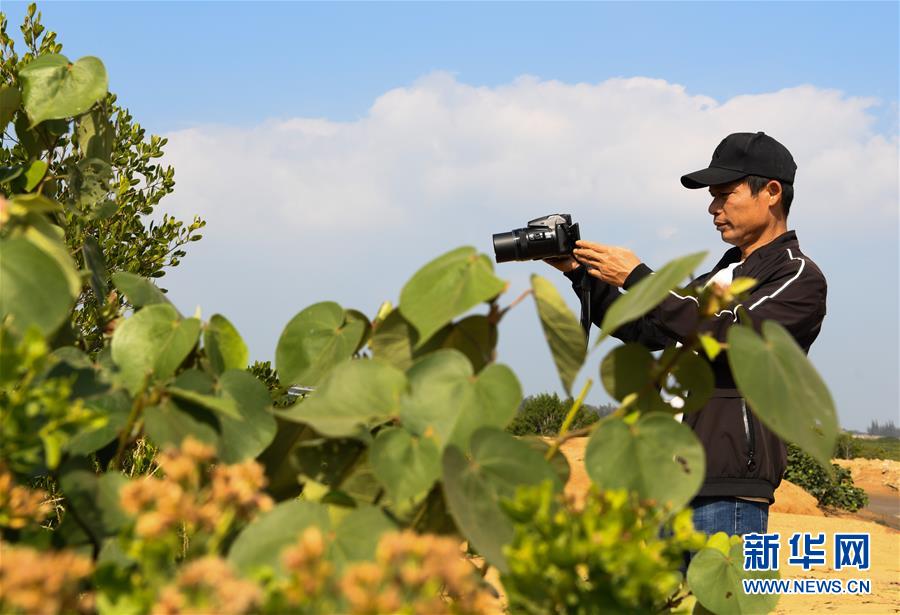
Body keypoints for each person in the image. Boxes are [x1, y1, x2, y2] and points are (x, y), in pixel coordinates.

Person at [546, 132, 827, 537]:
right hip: (668, 486)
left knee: (719, 583)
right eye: (712, 198)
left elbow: (734, 337)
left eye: (724, 195)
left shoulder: (797, 275)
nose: (713, 208)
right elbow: (646, 330)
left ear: (771, 192)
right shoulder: (718, 276)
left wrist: (641, 279)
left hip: (728, 492)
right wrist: (579, 273)